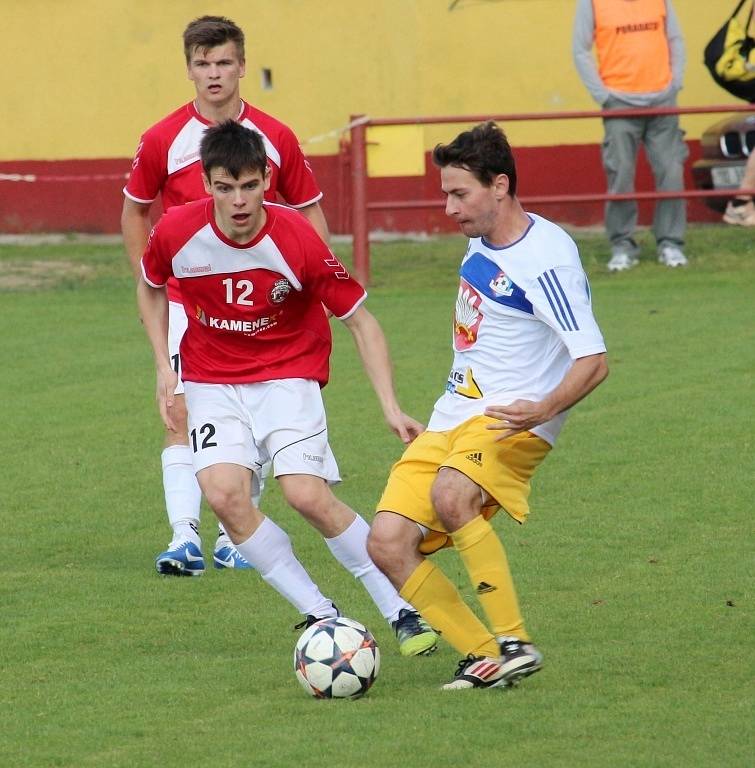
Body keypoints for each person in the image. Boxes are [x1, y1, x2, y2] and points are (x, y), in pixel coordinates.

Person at [137, 120, 439, 656]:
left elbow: (361, 321)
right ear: (206, 183)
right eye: (225, 187)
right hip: (211, 378)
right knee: (225, 495)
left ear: (266, 180)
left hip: (287, 373)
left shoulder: (295, 237)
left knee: (306, 495)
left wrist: (390, 404)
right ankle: (322, 615)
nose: (238, 201)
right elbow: (151, 286)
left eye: (249, 186)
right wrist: (165, 366)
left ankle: (401, 609)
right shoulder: (176, 230)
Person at [366, 122, 609, 689]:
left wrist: (544, 408)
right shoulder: (482, 239)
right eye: (446, 193)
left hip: (509, 421)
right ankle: (484, 655)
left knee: (452, 495)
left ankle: (514, 642)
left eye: (459, 194)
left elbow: (593, 359)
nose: (449, 208)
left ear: (500, 186)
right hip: (453, 414)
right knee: (386, 543)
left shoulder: (547, 260)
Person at [122, 16, 330, 574]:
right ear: (188, 68)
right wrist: (150, 279)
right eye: (202, 63)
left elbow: (308, 209)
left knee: (256, 410)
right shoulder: (162, 138)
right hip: (189, 301)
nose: (214, 74)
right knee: (176, 410)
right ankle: (184, 535)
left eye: (224, 62)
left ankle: (238, 534)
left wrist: (312, 282)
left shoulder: (276, 137)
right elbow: (135, 210)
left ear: (242, 65)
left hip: (262, 309)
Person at [573, 0, 689, 271]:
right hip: (619, 104)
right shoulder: (591, 3)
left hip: (663, 101)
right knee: (621, 174)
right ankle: (622, 246)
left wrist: (675, 83)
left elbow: (676, 39)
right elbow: (580, 50)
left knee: (672, 172)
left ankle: (671, 244)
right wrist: (603, 95)